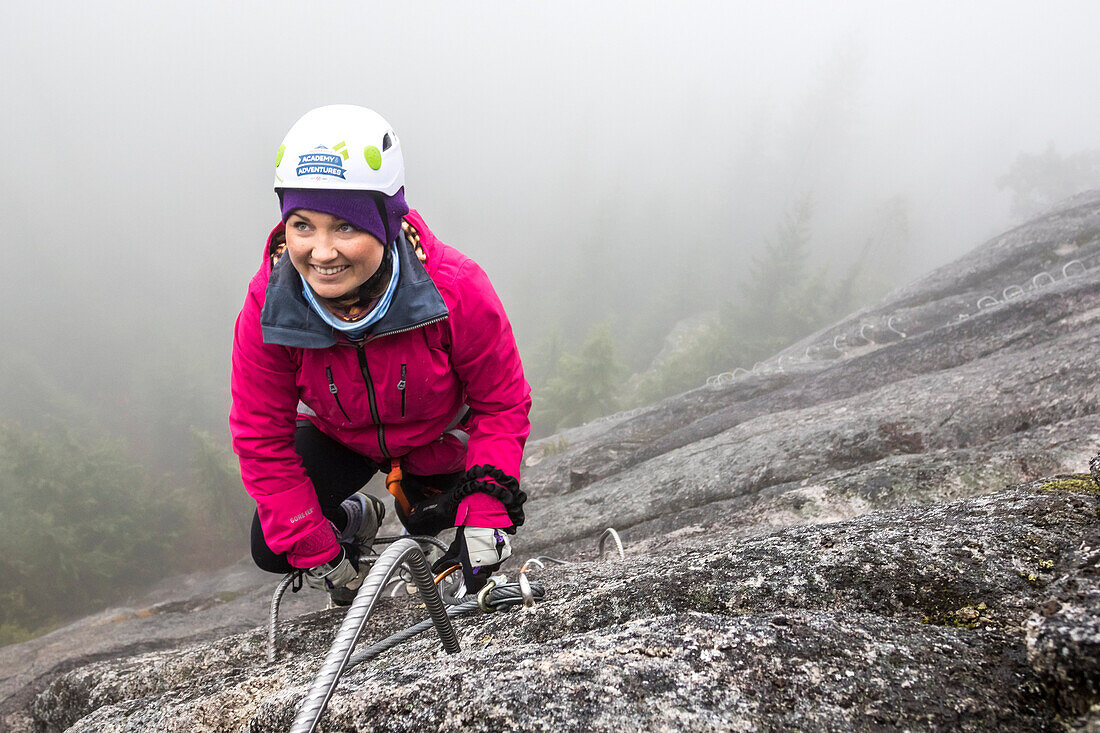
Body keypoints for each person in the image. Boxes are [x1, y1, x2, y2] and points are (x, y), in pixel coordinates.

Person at [230, 105, 531, 604]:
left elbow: (501, 403)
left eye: (345, 226)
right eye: (302, 225)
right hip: (339, 437)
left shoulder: (453, 289)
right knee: (276, 544)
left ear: (386, 221)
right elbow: (260, 434)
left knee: (435, 525)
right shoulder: (272, 305)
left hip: (433, 435)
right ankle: (355, 516)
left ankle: (424, 506)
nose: (321, 252)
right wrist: (319, 548)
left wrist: (485, 516)